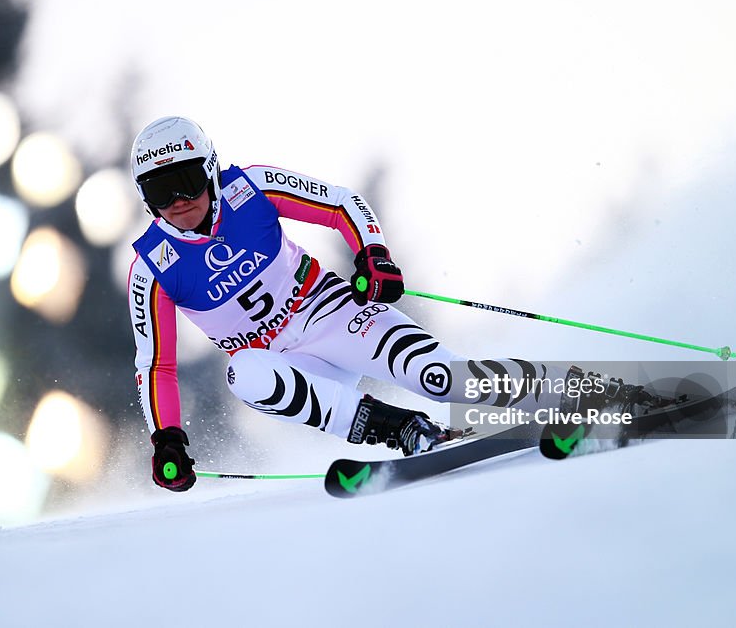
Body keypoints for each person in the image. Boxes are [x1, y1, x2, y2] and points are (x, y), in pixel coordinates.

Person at [126, 116, 636, 492]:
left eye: (187, 181)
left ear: (211, 171)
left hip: (332, 316)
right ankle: (405, 431)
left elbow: (341, 202)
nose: (177, 201)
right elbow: (155, 365)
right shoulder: (151, 267)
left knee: (443, 377)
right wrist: (166, 436)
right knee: (245, 376)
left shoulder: (250, 187)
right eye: (159, 190)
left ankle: (585, 393)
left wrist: (373, 255)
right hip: (287, 363)